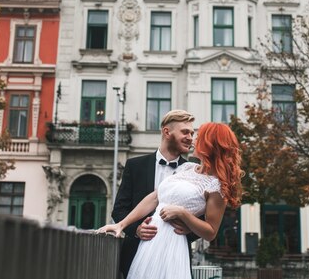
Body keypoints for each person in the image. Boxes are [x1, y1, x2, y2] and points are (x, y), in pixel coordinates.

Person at [100, 122, 243, 279]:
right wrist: (121, 225)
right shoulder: (186, 168)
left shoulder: (217, 185)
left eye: (198, 137)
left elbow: (211, 232)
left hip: (172, 245)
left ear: (210, 145)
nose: (193, 140)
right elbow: (155, 197)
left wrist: (183, 214)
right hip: (148, 244)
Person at [111, 109, 195, 278]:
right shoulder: (135, 166)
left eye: (192, 133)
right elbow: (119, 210)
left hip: (175, 261)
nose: (190, 138)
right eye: (185, 132)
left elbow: (207, 221)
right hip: (136, 255)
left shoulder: (193, 172)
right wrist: (136, 230)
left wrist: (188, 228)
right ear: (167, 132)